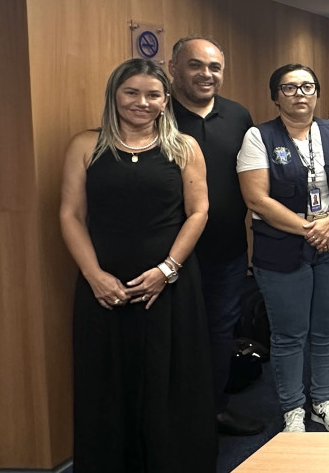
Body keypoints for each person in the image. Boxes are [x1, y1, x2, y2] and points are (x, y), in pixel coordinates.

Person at [60, 58, 215, 470]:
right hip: (103, 284)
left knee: (171, 378)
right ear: (114, 95)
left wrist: (167, 270)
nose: (142, 102)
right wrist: (94, 276)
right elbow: (71, 215)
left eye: (153, 95)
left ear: (165, 100)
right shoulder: (85, 145)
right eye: (131, 92)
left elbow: (198, 212)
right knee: (107, 379)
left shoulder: (183, 146)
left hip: (170, 282)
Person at [237, 64, 329, 432]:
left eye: (307, 87)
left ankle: (324, 401)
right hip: (282, 247)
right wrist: (312, 229)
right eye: (289, 88)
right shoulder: (258, 137)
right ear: (275, 96)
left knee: (328, 329)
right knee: (289, 334)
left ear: (317, 93)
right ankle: (293, 408)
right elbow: (257, 199)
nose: (299, 94)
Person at [167, 36, 264, 436]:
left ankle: (216, 410)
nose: (206, 74)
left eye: (214, 67)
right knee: (173, 333)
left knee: (220, 331)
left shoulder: (238, 116)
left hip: (226, 249)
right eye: (195, 65)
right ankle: (175, 418)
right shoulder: (158, 114)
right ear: (174, 68)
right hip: (169, 251)